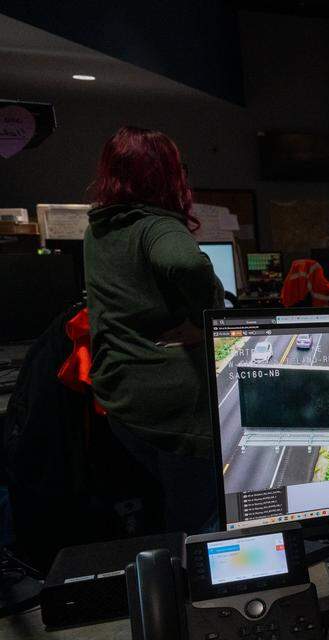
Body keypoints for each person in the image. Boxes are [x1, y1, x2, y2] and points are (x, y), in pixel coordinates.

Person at [84, 126, 223, 535]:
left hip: (123, 401)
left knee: (161, 518)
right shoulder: (157, 226)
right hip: (176, 409)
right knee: (200, 527)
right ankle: (197, 594)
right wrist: (203, 320)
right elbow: (188, 264)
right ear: (167, 174)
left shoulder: (99, 230)